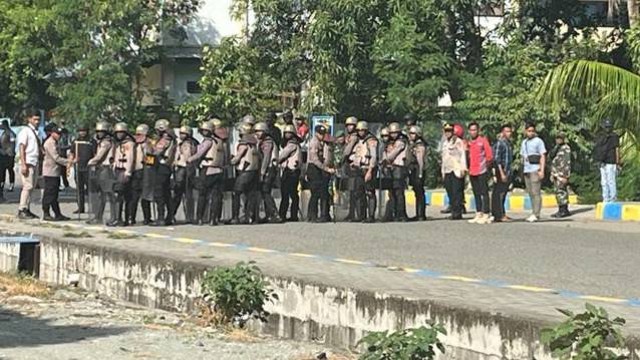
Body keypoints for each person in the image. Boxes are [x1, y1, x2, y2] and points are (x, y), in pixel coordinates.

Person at [189, 121, 225, 226]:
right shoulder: (220, 141)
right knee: (216, 196)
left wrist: (190, 159)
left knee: (203, 195)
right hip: (219, 170)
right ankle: (213, 219)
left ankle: (199, 218)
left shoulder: (208, 142)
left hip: (208, 170)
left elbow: (199, 154)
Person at [229, 123, 260, 225]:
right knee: (251, 194)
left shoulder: (243, 145)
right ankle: (250, 217)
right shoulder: (254, 145)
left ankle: (235, 217)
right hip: (254, 171)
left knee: (236, 193)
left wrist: (231, 161)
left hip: (245, 171)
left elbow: (237, 158)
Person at [86, 122, 116, 225]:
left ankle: (112, 216)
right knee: (101, 195)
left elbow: (99, 156)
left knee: (108, 194)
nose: (99, 133)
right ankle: (98, 216)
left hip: (106, 168)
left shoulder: (106, 142)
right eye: (98, 131)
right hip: (101, 168)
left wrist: (90, 162)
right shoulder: (102, 141)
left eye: (101, 132)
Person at [306, 124, 335, 222]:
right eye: (320, 133)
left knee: (322, 192)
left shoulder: (321, 142)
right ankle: (312, 215)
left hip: (319, 169)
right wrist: (326, 169)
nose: (322, 136)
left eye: (323, 133)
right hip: (314, 169)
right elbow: (315, 160)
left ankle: (322, 215)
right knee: (315, 193)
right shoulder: (314, 143)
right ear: (316, 133)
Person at [41, 124, 70, 221]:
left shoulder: (55, 142)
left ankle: (57, 213)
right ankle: (46, 213)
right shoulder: (49, 143)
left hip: (55, 172)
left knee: (54, 194)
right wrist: (69, 162)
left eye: (60, 133)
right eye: (57, 133)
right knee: (49, 193)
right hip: (50, 172)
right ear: (52, 133)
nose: (59, 135)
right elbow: (56, 158)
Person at [150, 119, 176, 226]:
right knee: (166, 194)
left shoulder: (164, 139)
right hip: (167, 167)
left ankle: (161, 217)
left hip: (162, 167)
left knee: (159, 193)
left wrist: (147, 157)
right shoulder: (172, 139)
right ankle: (169, 217)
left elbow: (156, 153)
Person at [351, 121, 378, 223]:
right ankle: (360, 215)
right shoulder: (358, 140)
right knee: (359, 192)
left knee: (370, 192)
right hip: (359, 168)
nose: (360, 132)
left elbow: (374, 157)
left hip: (368, 168)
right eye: (358, 130)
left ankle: (371, 216)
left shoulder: (371, 140)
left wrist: (370, 171)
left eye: (362, 130)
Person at [17, 109, 42, 219]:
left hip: (35, 161)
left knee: (32, 187)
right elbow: (22, 147)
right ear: (29, 119)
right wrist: (23, 164)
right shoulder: (25, 131)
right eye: (35, 119)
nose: (37, 121)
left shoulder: (37, 132)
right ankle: (22, 208)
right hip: (28, 162)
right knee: (28, 186)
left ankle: (27, 208)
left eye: (38, 119)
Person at [255, 122, 282, 223]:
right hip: (269, 168)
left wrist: (262, 172)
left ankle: (274, 213)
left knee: (265, 191)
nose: (257, 133)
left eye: (259, 131)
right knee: (265, 191)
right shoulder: (264, 141)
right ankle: (269, 214)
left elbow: (266, 158)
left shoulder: (267, 142)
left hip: (269, 169)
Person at [467, 122, 493, 224]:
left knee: (484, 193)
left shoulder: (483, 141)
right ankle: (479, 213)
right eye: (471, 130)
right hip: (472, 171)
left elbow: (489, 155)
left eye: (475, 130)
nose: (473, 132)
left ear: (478, 130)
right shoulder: (469, 143)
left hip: (482, 170)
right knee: (476, 193)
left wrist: (486, 166)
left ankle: (486, 213)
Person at [520, 122, 547, 223]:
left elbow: (542, 155)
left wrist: (542, 170)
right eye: (529, 131)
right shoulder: (524, 142)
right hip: (527, 169)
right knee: (530, 192)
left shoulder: (538, 141)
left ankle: (536, 213)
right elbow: (523, 156)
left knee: (536, 192)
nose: (530, 133)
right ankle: (533, 211)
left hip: (535, 169)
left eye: (532, 131)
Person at [110, 122, 135, 227]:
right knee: (119, 195)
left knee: (120, 195)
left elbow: (130, 158)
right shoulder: (118, 143)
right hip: (117, 169)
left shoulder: (129, 143)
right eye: (117, 133)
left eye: (121, 133)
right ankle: (118, 217)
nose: (119, 135)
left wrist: (128, 172)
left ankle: (121, 219)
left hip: (124, 170)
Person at [172, 125, 198, 224]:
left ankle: (175, 215)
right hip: (188, 169)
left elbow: (186, 157)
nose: (181, 135)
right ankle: (189, 216)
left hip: (184, 169)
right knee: (186, 194)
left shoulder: (187, 144)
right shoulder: (193, 142)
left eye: (183, 133)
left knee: (180, 194)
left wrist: (176, 162)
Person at [441, 123, 467, 220]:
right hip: (447, 170)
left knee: (457, 192)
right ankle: (453, 210)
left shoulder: (458, 142)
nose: (448, 133)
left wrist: (463, 168)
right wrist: (442, 171)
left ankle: (457, 213)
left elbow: (463, 155)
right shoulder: (444, 143)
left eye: (449, 131)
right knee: (450, 192)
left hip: (456, 169)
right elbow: (443, 158)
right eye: (446, 131)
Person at [384, 122, 409, 222]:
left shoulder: (401, 141)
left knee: (399, 193)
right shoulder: (390, 142)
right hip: (391, 168)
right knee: (392, 192)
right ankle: (394, 214)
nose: (393, 135)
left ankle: (401, 214)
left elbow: (392, 154)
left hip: (399, 168)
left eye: (395, 132)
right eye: (391, 133)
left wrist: (386, 159)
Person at [129, 124, 153, 225]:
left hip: (144, 171)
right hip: (136, 171)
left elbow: (150, 158)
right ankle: (131, 217)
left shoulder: (147, 144)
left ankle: (147, 217)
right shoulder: (134, 143)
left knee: (145, 196)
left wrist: (147, 162)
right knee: (134, 197)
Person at [278, 124, 302, 222]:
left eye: (289, 133)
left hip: (290, 171)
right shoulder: (296, 144)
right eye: (286, 133)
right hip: (295, 171)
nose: (287, 135)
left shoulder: (291, 145)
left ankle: (282, 214)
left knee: (286, 194)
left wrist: (276, 162)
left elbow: (282, 156)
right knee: (293, 194)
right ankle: (293, 214)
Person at [593, 118, 620, 203]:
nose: (607, 128)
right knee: (604, 182)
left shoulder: (614, 136)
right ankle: (605, 198)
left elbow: (617, 149)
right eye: (606, 126)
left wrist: (618, 161)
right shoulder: (601, 136)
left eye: (608, 126)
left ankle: (612, 198)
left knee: (611, 181)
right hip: (602, 162)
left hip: (611, 162)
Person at [69, 126, 95, 214]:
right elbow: (72, 153)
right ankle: (80, 207)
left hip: (88, 168)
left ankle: (93, 207)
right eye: (80, 131)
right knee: (79, 189)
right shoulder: (76, 141)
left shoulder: (91, 141)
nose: (82, 133)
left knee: (90, 189)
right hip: (78, 167)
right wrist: (70, 164)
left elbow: (95, 154)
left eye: (84, 131)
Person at [491, 124, 514, 223]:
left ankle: (502, 213)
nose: (509, 133)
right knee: (499, 194)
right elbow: (497, 160)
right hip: (501, 172)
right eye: (507, 131)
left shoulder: (508, 143)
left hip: (507, 171)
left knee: (503, 194)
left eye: (510, 131)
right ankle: (498, 214)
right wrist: (502, 173)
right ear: (502, 132)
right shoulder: (500, 143)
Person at [407, 126, 427, 222]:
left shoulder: (420, 145)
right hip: (413, 169)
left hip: (418, 169)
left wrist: (420, 173)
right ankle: (418, 213)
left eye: (413, 133)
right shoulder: (413, 144)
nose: (411, 135)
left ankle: (421, 214)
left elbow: (420, 161)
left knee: (420, 192)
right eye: (410, 133)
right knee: (416, 192)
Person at [550, 132, 572, 218]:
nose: (558, 140)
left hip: (562, 173)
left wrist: (565, 176)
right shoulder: (557, 148)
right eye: (557, 138)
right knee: (558, 191)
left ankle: (563, 210)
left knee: (561, 191)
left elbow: (567, 163)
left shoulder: (566, 148)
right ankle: (561, 209)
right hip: (556, 172)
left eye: (560, 138)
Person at [342, 116, 359, 221]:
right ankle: (352, 213)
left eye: (351, 125)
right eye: (348, 125)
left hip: (353, 165)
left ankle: (355, 214)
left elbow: (348, 150)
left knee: (354, 191)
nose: (349, 127)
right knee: (351, 192)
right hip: (349, 165)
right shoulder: (349, 136)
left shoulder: (354, 137)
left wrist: (343, 158)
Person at [379, 127, 395, 222]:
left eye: (386, 136)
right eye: (383, 136)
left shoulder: (392, 145)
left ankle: (393, 212)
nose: (385, 138)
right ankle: (388, 213)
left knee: (394, 192)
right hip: (385, 170)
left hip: (393, 169)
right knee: (389, 192)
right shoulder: (382, 145)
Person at [0, 120, 16, 195]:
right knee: (2, 170)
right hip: (3, 154)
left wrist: (11, 153)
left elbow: (13, 143)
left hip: (9, 155)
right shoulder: (4, 132)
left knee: (10, 169)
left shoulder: (10, 133)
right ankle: (2, 184)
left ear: (5, 125)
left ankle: (11, 184)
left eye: (2, 125)